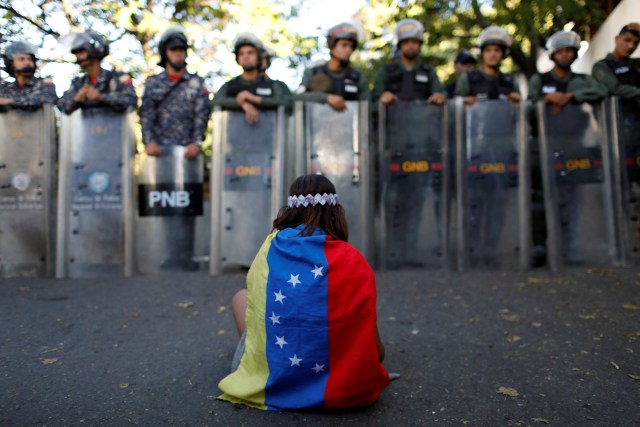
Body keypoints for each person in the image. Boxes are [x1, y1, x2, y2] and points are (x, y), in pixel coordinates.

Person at [218, 174, 389, 410]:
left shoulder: (271, 247)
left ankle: (256, 371)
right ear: (336, 211)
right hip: (343, 388)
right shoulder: (353, 260)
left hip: (271, 377)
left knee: (241, 297)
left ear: (291, 209)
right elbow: (376, 352)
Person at [528, 30, 608, 267]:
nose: (564, 55)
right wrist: (546, 101)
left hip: (575, 145)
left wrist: (570, 96)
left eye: (569, 51)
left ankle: (569, 245)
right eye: (560, 51)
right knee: (540, 197)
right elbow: (528, 108)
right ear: (553, 55)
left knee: (572, 197)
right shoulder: (539, 80)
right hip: (543, 145)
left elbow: (602, 91)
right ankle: (540, 246)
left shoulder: (583, 80)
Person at [139, 25, 211, 271]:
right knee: (165, 204)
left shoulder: (195, 83)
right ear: (165, 53)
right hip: (161, 155)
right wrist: (149, 140)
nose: (178, 54)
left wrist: (197, 142)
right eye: (173, 50)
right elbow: (146, 114)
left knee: (188, 205)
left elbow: (202, 115)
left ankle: (187, 256)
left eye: (181, 50)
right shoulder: (153, 83)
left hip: (188, 154)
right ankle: (166, 253)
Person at [211, 33, 292, 124]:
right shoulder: (230, 85)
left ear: (259, 57)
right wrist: (242, 103)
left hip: (270, 135)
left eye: (250, 53)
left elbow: (287, 102)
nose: (245, 57)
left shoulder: (273, 85)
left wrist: (254, 98)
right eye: (241, 54)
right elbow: (214, 102)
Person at [371, 19, 446, 106]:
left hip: (424, 118)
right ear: (400, 45)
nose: (410, 45)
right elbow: (374, 101)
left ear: (420, 45)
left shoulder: (428, 71)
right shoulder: (387, 71)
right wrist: (383, 99)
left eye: (414, 42)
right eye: (406, 42)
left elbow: (441, 94)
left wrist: (439, 97)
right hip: (393, 118)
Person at [296, 22, 369, 111]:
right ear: (331, 46)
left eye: (351, 47)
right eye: (344, 45)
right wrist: (326, 98)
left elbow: (367, 108)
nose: (349, 50)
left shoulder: (358, 78)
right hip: (317, 123)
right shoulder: (312, 73)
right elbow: (299, 97)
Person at [58, 32, 137, 114]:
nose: (78, 56)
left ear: (94, 50)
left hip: (116, 126)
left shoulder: (118, 78)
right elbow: (61, 106)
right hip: (87, 126)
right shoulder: (79, 84)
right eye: (76, 53)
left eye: (81, 51)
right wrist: (76, 99)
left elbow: (131, 102)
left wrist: (101, 97)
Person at [455, 26, 521, 104]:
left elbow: (521, 108)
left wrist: (518, 100)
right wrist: (464, 101)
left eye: (497, 50)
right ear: (482, 54)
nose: (492, 54)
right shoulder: (467, 78)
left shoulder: (510, 80)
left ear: (503, 54)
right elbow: (456, 106)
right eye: (488, 50)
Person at [591, 23, 640, 112]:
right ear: (617, 39)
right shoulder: (602, 66)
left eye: (636, 43)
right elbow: (615, 89)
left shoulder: (636, 63)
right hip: (618, 120)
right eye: (627, 40)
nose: (631, 46)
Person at [0, 40, 57, 112]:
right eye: (22, 59)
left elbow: (47, 100)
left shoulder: (45, 84)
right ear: (11, 63)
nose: (27, 62)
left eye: (30, 59)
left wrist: (11, 101)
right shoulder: (4, 88)